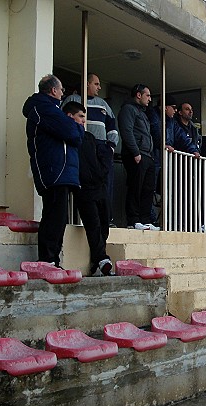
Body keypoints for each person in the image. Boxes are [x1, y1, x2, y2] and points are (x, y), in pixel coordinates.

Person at [22, 74, 85, 267]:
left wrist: (75, 129)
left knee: (59, 217)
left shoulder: (51, 109)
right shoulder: (43, 107)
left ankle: (52, 260)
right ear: (53, 90)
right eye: (61, 90)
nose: (63, 93)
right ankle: (48, 259)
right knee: (54, 216)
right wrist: (76, 128)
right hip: (53, 170)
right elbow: (72, 133)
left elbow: (74, 134)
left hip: (59, 170)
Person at [63, 101, 113, 276]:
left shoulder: (89, 137)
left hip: (99, 186)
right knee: (93, 224)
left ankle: (97, 261)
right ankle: (102, 259)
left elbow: (101, 156)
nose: (84, 121)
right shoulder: (67, 138)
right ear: (71, 116)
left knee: (104, 223)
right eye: (81, 117)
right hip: (83, 190)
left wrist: (102, 170)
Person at [62, 74, 118, 227]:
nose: (99, 87)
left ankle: (106, 219)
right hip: (80, 146)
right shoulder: (72, 100)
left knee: (104, 184)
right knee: (82, 184)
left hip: (101, 148)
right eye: (96, 84)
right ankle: (75, 219)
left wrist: (111, 147)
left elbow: (112, 126)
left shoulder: (103, 104)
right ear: (87, 84)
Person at [118, 83, 159, 231]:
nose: (149, 99)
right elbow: (127, 131)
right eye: (147, 95)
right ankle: (133, 219)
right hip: (136, 154)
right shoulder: (128, 109)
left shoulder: (142, 112)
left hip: (147, 155)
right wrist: (135, 152)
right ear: (138, 95)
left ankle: (145, 219)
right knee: (136, 187)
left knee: (148, 188)